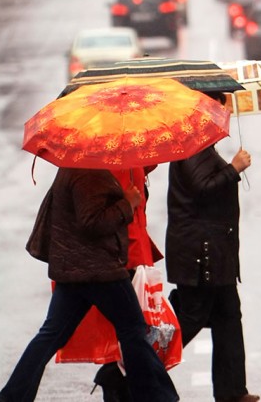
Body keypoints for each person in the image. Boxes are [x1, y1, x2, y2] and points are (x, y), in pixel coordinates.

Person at [0, 167, 179, 402]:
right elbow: (91, 222)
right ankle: (156, 397)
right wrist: (127, 204)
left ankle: (12, 396)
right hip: (99, 271)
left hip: (75, 271)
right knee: (133, 330)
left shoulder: (75, 167)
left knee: (51, 335)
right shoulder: (89, 172)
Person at [165, 91, 259, 402]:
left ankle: (232, 392)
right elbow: (202, 189)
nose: (228, 114)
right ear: (207, 110)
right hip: (199, 255)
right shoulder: (192, 145)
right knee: (189, 320)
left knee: (229, 318)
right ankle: (128, 372)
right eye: (223, 107)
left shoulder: (203, 145)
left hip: (214, 255)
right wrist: (234, 169)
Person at [93, 165, 165, 402]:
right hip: (126, 255)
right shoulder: (115, 164)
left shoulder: (131, 161)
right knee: (134, 330)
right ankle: (115, 378)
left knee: (132, 330)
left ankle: (118, 381)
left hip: (135, 251)